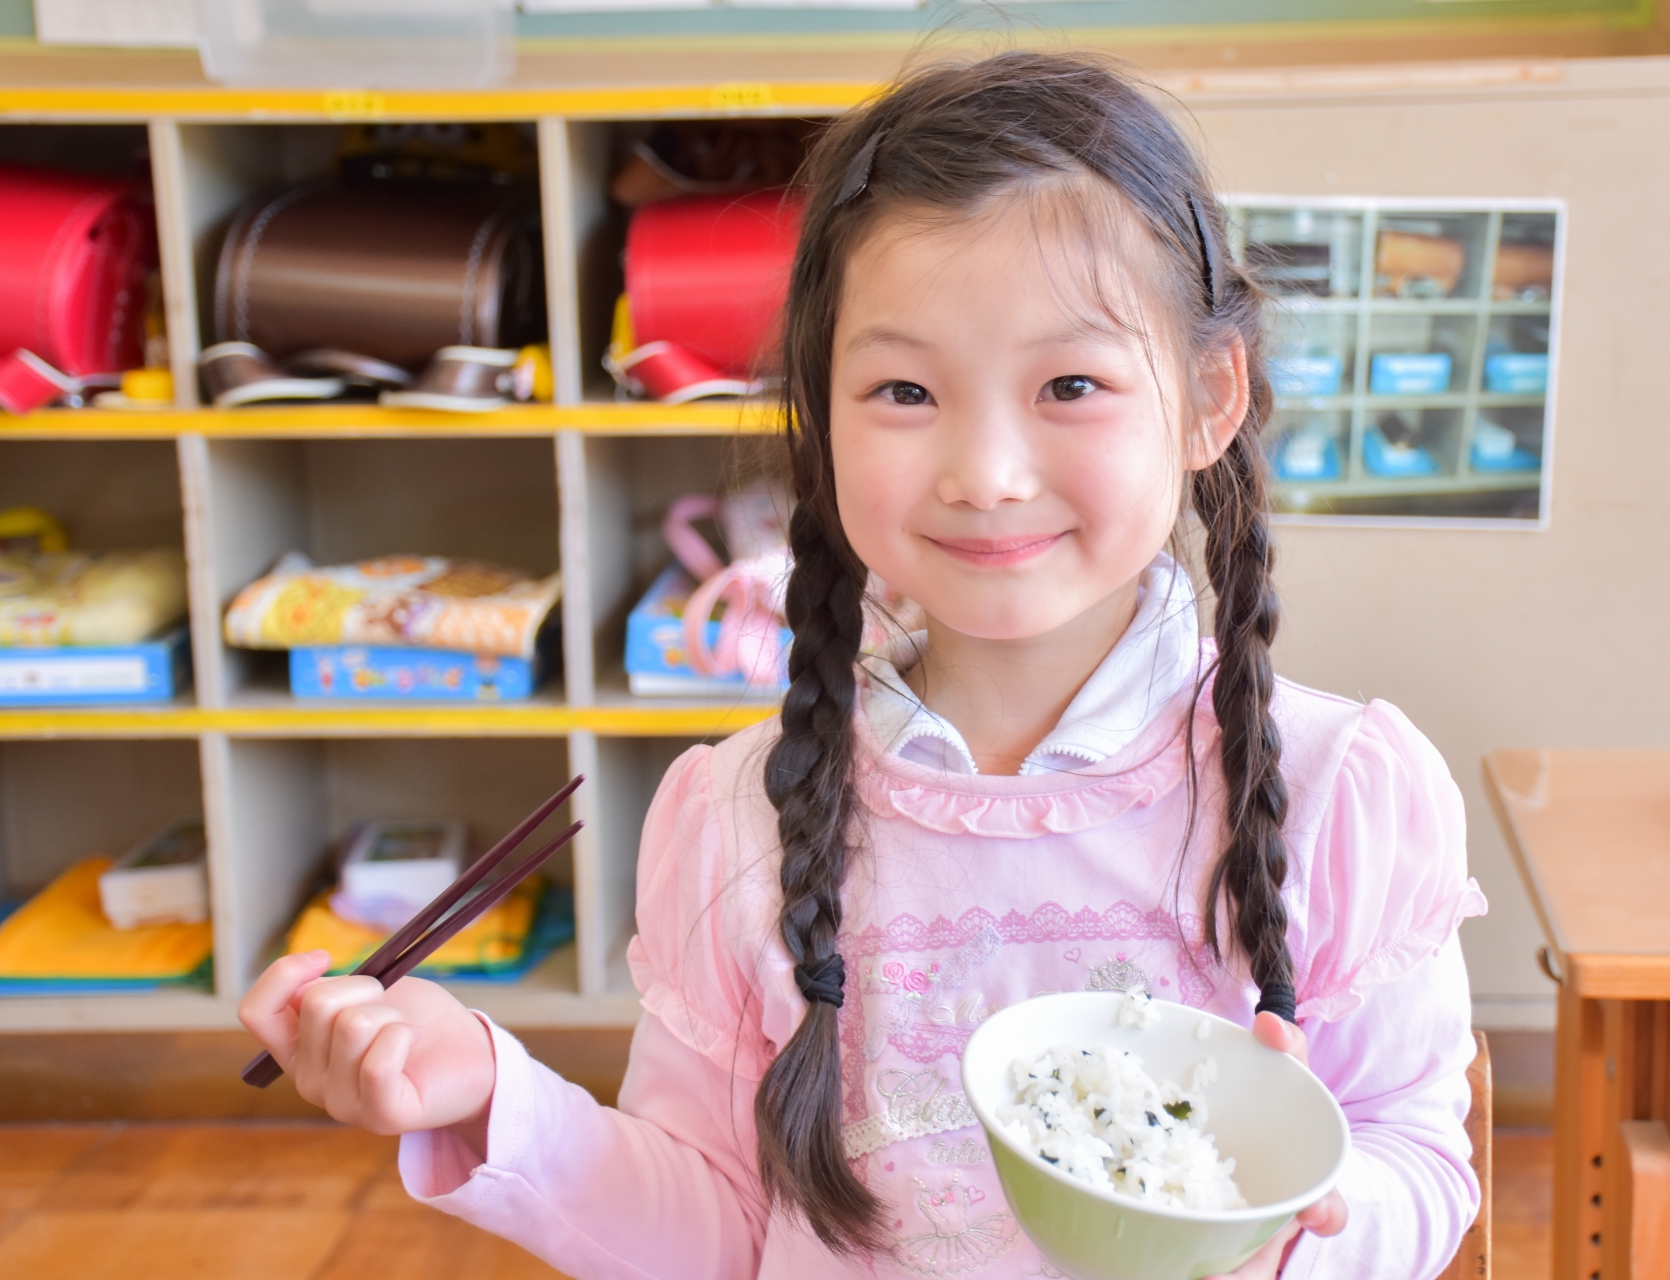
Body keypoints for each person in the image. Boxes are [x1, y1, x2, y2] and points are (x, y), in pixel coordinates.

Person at [239, 50, 1488, 1280]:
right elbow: (718, 1227)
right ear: (818, 411)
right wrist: (488, 1089)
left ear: (1212, 396)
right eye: (903, 388)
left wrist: (1302, 1221)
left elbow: (1420, 1161)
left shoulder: (1341, 792)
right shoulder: (739, 819)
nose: (986, 471)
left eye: (1070, 382)